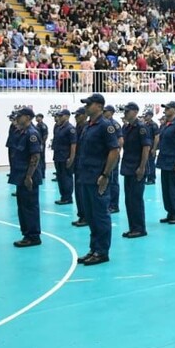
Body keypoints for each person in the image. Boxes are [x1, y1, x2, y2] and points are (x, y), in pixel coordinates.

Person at [75, 93, 121, 266]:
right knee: (91, 216)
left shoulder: (105, 126)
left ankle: (102, 251)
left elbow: (114, 151)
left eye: (89, 104)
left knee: (100, 215)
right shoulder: (88, 126)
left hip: (98, 177)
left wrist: (105, 175)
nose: (86, 106)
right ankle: (94, 249)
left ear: (100, 106)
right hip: (86, 176)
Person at [8, 108, 43, 246]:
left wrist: (29, 176)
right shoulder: (21, 132)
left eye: (20, 116)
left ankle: (33, 236)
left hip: (28, 176)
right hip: (20, 175)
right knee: (22, 207)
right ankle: (27, 234)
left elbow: (35, 156)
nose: (17, 118)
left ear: (28, 117)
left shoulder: (32, 134)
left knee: (30, 206)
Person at [120, 102, 152, 239]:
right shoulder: (127, 128)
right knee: (129, 199)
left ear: (135, 112)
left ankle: (139, 228)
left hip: (137, 167)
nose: (125, 113)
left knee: (136, 199)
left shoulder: (141, 128)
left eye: (127, 111)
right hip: (128, 167)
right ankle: (133, 227)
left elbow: (146, 147)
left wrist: (142, 167)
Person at [155, 101, 175, 225]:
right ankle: (170, 212)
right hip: (165, 161)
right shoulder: (165, 124)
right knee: (166, 190)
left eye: (168, 108)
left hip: (174, 162)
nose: (166, 110)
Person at [51, 109, 76, 206]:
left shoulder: (70, 128)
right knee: (60, 178)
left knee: (66, 178)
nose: (59, 117)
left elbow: (73, 145)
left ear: (67, 116)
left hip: (66, 157)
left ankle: (68, 197)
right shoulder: (58, 127)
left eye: (61, 116)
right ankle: (63, 196)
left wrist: (71, 158)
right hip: (58, 156)